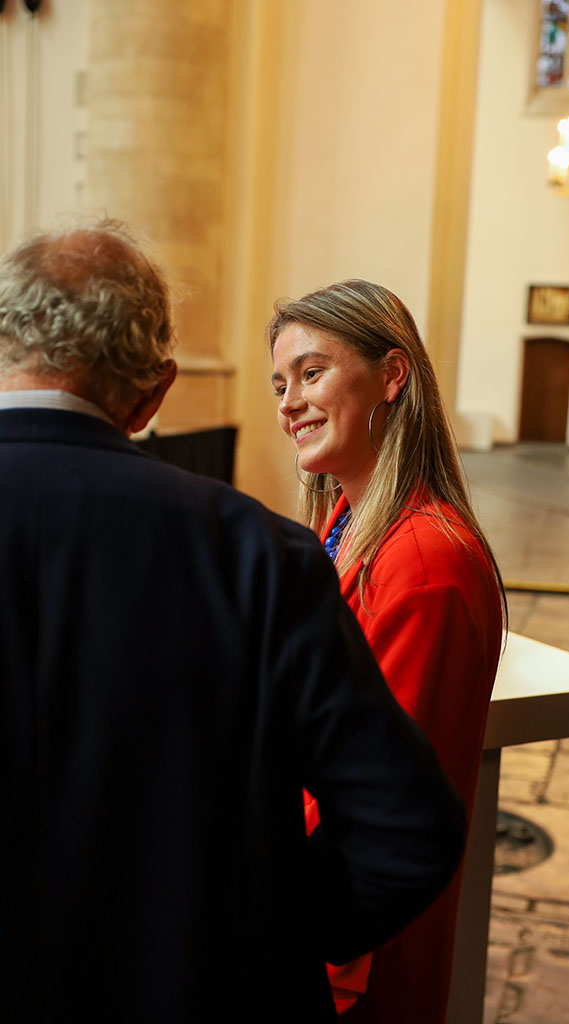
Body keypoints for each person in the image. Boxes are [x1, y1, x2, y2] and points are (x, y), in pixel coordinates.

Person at [0, 224, 468, 1023]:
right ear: (154, 393)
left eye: (310, 373)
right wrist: (266, 932)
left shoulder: (403, 552)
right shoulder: (256, 552)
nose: (290, 402)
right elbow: (405, 825)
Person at [269, 279, 506, 1023]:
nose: (289, 402)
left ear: (392, 375)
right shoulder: (347, 527)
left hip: (356, 955)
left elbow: (375, 800)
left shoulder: (424, 563)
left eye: (311, 373)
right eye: (280, 384)